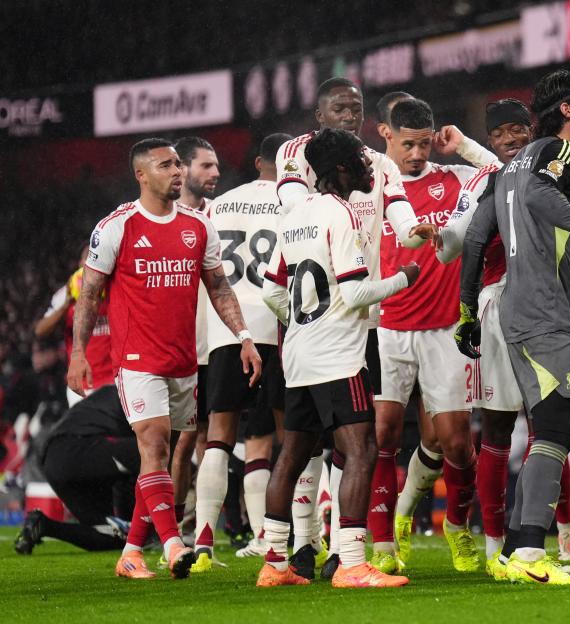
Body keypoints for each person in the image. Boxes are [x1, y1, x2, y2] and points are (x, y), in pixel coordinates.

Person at [459, 69, 570, 585]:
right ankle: (532, 554)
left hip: (515, 309)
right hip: (546, 312)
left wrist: (468, 311)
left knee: (546, 431)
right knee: (554, 429)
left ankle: (522, 547)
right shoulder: (558, 155)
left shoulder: (508, 169)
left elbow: (474, 242)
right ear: (566, 111)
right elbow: (540, 200)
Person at [68, 138, 262, 580]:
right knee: (153, 444)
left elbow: (219, 287)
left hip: (183, 360)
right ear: (141, 175)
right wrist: (79, 352)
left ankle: (131, 551)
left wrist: (245, 336)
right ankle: (175, 545)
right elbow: (91, 294)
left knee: (164, 454)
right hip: (137, 359)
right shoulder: (116, 227)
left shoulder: (198, 226)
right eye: (165, 165)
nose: (176, 171)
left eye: (178, 164)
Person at [274, 77, 435, 579]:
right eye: (339, 107)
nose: (349, 114)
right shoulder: (303, 162)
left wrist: (416, 233)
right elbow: (353, 285)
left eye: (356, 107)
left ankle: (280, 559)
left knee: (306, 445)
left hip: (319, 329)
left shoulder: (373, 167)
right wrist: (403, 277)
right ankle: (335, 553)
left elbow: (404, 224)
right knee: (357, 444)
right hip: (344, 323)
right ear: (320, 112)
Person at [371, 97, 497, 574]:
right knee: (381, 433)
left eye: (425, 143)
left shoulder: (454, 181)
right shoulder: (369, 188)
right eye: (409, 144)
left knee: (456, 444)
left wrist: (461, 144)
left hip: (445, 329)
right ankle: (383, 543)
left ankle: (457, 527)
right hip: (386, 327)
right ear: (385, 134)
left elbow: (501, 171)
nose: (419, 153)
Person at [435, 98, 533, 574]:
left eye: (520, 130)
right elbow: (454, 243)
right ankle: (495, 544)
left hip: (545, 307)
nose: (512, 139)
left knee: (551, 429)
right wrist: (438, 237)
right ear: (492, 140)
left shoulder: (546, 173)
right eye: (502, 133)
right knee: (496, 429)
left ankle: (562, 537)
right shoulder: (478, 184)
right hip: (496, 305)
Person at [190, 133, 292, 571]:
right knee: (271, 438)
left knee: (218, 434)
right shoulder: (294, 203)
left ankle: (202, 543)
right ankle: (269, 536)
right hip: (276, 327)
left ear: (257, 163)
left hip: (227, 328)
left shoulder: (219, 205)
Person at [15, 385, 136, 554]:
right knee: (149, 452)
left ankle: (44, 525)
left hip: (54, 461)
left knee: (116, 536)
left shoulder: (108, 394)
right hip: (79, 450)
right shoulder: (135, 395)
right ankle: (162, 525)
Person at [171, 136, 222, 527]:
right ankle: (168, 524)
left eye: (216, 165)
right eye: (205, 165)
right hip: (175, 347)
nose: (215, 173)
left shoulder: (221, 215)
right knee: (179, 438)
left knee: (209, 435)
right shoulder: (161, 218)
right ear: (182, 168)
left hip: (215, 346)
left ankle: (201, 524)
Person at [34, 245, 111, 407]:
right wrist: (65, 306)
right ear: (80, 264)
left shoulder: (115, 288)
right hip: (82, 385)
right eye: (88, 259)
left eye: (96, 259)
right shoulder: (67, 293)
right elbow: (40, 331)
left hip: (115, 380)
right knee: (85, 432)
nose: (92, 264)